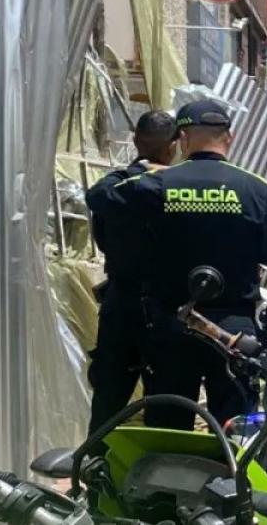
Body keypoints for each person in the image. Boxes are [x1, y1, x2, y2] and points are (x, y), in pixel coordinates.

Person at [99, 100, 267, 430]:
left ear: (183, 139)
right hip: (234, 329)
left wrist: (144, 170)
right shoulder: (254, 187)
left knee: (168, 424)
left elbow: (99, 195)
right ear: (229, 137)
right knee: (236, 428)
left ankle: (170, 480)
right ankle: (232, 481)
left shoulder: (159, 183)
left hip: (170, 323)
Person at [83, 110, 177, 436]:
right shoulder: (180, 187)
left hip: (121, 303)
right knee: (164, 404)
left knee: (109, 400)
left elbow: (102, 234)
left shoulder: (117, 186)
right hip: (167, 307)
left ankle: (95, 474)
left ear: (137, 141)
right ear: (174, 146)